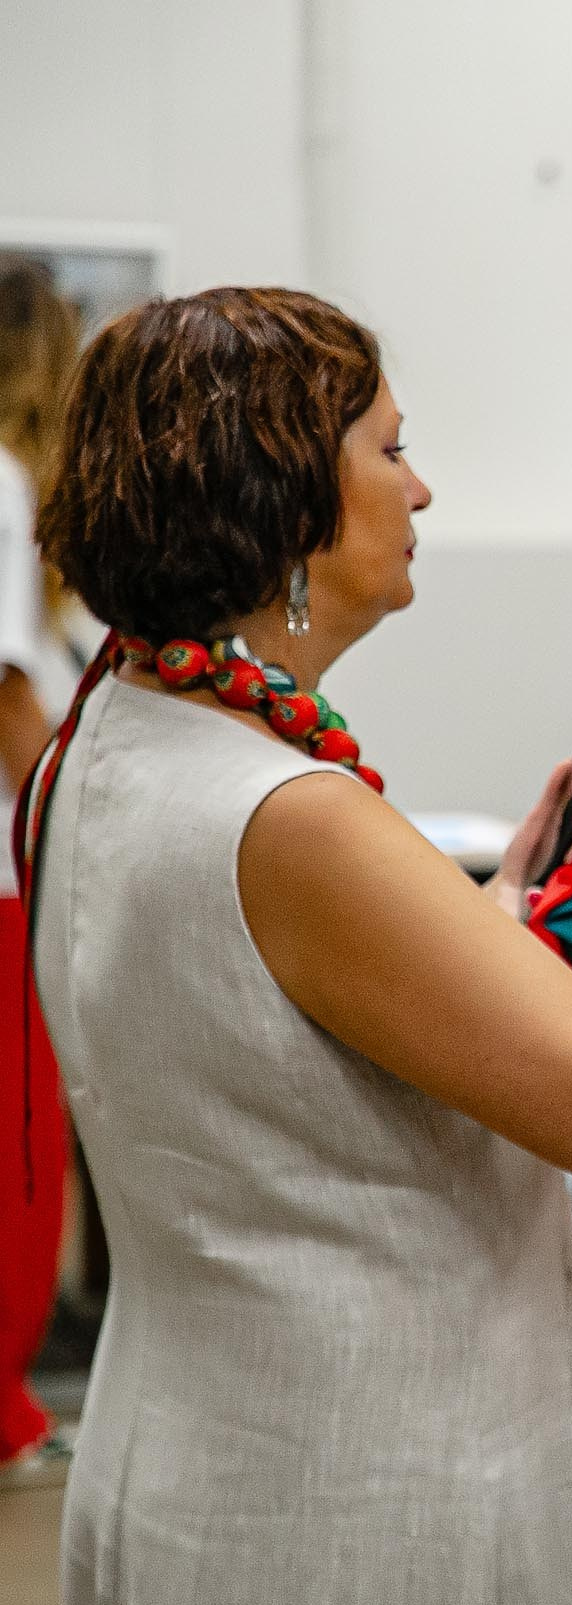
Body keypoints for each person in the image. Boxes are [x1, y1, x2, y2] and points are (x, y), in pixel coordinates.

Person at [27, 287, 572, 1605]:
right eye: (388, 451)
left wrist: (477, 921)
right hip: (361, 1541)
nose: (420, 489)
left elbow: (256, 1027)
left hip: (193, 1469)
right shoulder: (293, 819)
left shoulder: (106, 731)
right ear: (286, 495)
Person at [0, 255, 81, 1470]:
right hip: (5, 874)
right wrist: (77, 826)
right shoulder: (3, 487)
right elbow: (8, 691)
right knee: (19, 1142)